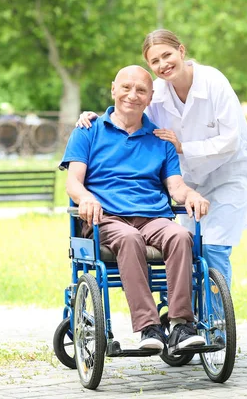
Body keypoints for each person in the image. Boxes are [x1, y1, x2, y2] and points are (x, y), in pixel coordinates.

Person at [77, 29, 247, 289]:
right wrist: (94, 116)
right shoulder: (157, 93)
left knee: (215, 247)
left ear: (181, 51)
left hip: (227, 174)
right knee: (189, 246)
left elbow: (231, 140)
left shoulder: (214, 82)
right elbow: (128, 111)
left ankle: (216, 324)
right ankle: (185, 315)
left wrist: (183, 147)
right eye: (154, 61)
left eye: (167, 55)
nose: (163, 65)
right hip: (185, 180)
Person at [61, 65, 209, 353]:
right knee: (130, 239)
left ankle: (180, 325)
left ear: (150, 97)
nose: (132, 95)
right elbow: (73, 184)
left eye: (141, 90)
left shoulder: (160, 139)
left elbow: (176, 187)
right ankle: (149, 327)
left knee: (180, 237)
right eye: (126, 88)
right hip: (107, 219)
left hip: (153, 217)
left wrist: (191, 195)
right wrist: (87, 198)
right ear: (113, 89)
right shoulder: (88, 131)